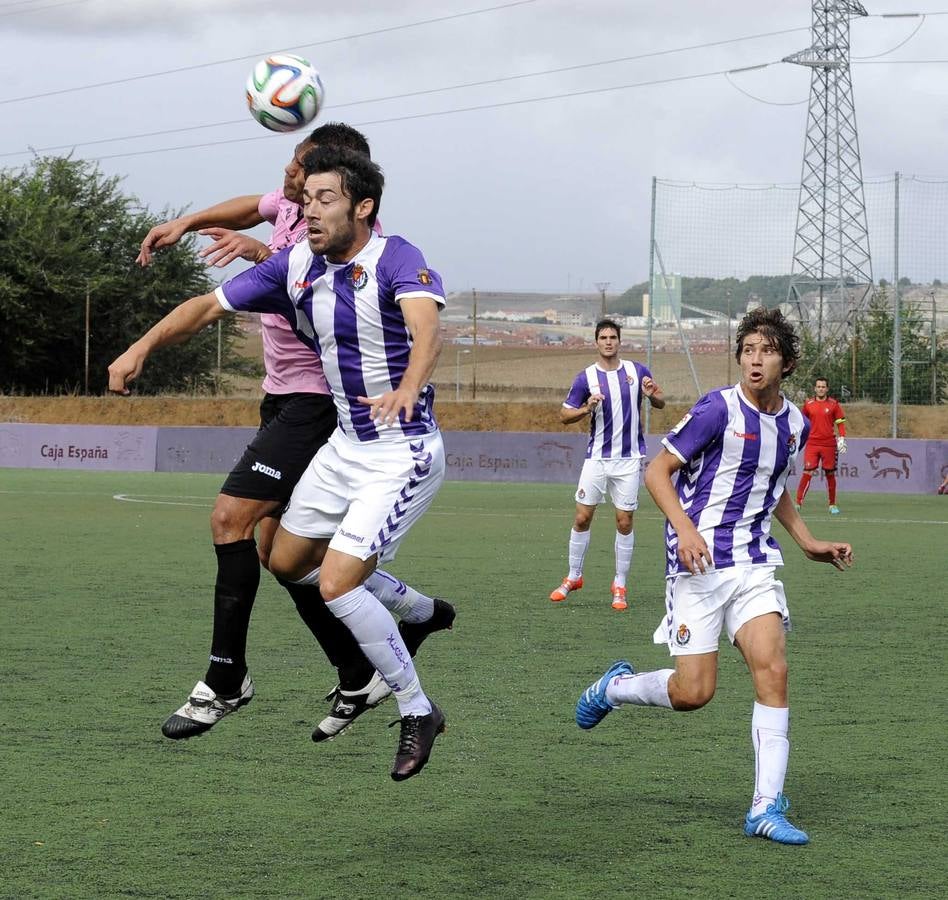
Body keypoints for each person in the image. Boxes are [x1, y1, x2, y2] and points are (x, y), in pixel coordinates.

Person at [111, 146, 448, 781]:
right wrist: (141, 347)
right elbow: (207, 307)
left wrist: (408, 385)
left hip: (399, 453)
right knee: (286, 559)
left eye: (324, 200)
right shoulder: (295, 262)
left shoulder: (397, 257)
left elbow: (427, 329)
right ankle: (417, 611)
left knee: (336, 583)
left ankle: (415, 707)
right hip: (345, 448)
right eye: (306, 198)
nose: (307, 209)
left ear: (363, 207)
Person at [574, 307, 854, 845]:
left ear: (786, 363)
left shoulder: (794, 424)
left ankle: (765, 807)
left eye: (766, 351)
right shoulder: (716, 409)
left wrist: (809, 543)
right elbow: (657, 472)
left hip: (753, 565)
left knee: (773, 668)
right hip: (698, 566)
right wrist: (685, 530)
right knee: (693, 693)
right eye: (747, 350)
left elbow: (770, 492)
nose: (754, 359)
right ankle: (616, 687)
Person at [549, 318, 665, 610]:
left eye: (613, 337)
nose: (609, 341)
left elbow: (661, 401)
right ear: (596, 342)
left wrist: (653, 397)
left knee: (624, 522)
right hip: (597, 459)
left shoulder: (637, 372)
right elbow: (564, 415)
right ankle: (574, 576)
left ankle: (620, 584)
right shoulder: (585, 378)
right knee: (581, 518)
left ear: (619, 341)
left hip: (628, 459)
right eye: (604, 337)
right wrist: (587, 407)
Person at [795, 376, 847, 515]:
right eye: (818, 386)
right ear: (815, 388)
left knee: (830, 473)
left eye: (823, 387)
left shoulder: (834, 404)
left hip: (829, 444)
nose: (821, 389)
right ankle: (798, 503)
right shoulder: (808, 404)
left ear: (827, 389)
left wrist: (842, 439)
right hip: (812, 443)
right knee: (808, 472)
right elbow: (802, 423)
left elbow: (840, 423)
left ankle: (832, 505)